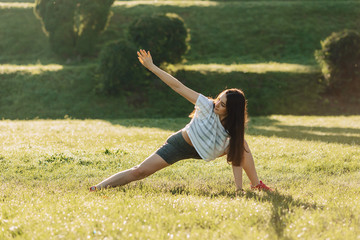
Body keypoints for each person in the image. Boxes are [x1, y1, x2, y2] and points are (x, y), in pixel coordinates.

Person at [89, 49, 273, 193]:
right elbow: (177, 86)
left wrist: (238, 189)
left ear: (231, 110)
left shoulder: (232, 128)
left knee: (241, 145)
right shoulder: (206, 105)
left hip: (206, 151)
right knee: (140, 171)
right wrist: (152, 67)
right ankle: (98, 187)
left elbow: (236, 159)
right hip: (180, 144)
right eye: (219, 99)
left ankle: (255, 184)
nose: (217, 104)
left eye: (222, 104)